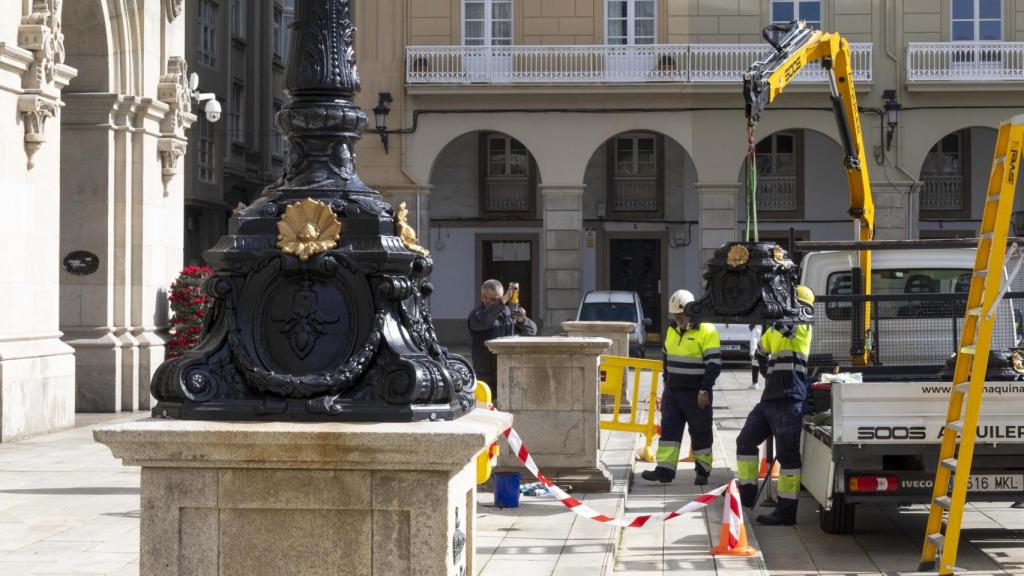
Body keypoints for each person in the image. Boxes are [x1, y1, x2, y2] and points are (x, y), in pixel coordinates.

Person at [736, 285, 815, 526]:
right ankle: (746, 494)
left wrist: (772, 309)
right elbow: (760, 351)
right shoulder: (775, 330)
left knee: (787, 456)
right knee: (745, 441)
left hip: (790, 398)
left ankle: (786, 510)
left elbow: (786, 327)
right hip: (771, 399)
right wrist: (766, 373)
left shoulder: (802, 326)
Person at [642, 289, 722, 485]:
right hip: (673, 391)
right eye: (675, 315)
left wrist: (705, 389)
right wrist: (666, 380)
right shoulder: (671, 330)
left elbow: (714, 364)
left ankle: (703, 471)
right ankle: (664, 471)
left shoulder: (707, 330)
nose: (677, 318)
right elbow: (666, 357)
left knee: (700, 432)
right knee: (669, 431)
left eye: (680, 314)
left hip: (696, 393)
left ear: (691, 311)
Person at [468, 279, 537, 395]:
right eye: (495, 300)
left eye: (500, 299)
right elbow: (486, 319)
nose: (499, 303)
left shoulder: (508, 313)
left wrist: (522, 320)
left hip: (508, 370)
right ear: (483, 298)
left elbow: (532, 331)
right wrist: (504, 299)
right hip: (486, 374)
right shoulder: (476, 315)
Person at [748, 324, 763, 390]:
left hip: (757, 351)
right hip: (766, 350)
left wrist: (752, 352)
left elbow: (753, 342)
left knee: (755, 366)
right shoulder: (765, 327)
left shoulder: (755, 329)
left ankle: (755, 383)